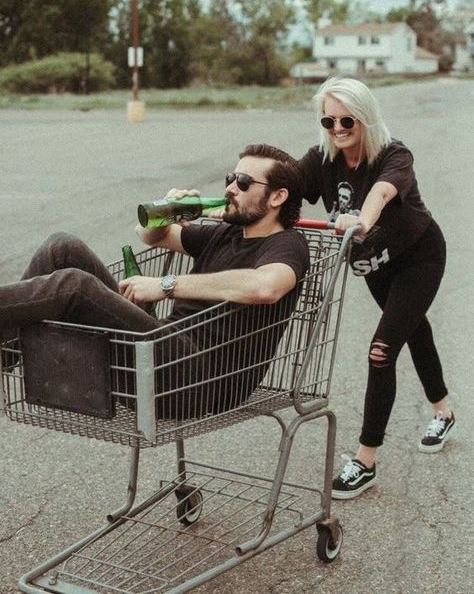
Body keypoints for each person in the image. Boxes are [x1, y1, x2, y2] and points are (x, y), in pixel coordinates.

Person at [1, 143, 310, 419]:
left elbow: (265, 287)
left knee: (75, 286)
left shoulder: (287, 244)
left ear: (277, 197)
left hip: (200, 381)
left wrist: (166, 284)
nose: (230, 188)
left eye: (243, 183)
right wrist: (169, 209)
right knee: (62, 247)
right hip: (166, 352)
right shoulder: (224, 233)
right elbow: (149, 234)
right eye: (231, 178)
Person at [298, 76, 454, 500]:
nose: (337, 128)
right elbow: (287, 185)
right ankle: (444, 410)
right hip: (375, 267)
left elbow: (383, 191)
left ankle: (366, 460)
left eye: (346, 119)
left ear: (364, 116)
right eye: (328, 120)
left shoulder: (393, 154)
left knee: (381, 350)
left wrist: (361, 220)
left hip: (418, 258)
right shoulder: (323, 158)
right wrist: (242, 195)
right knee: (413, 330)